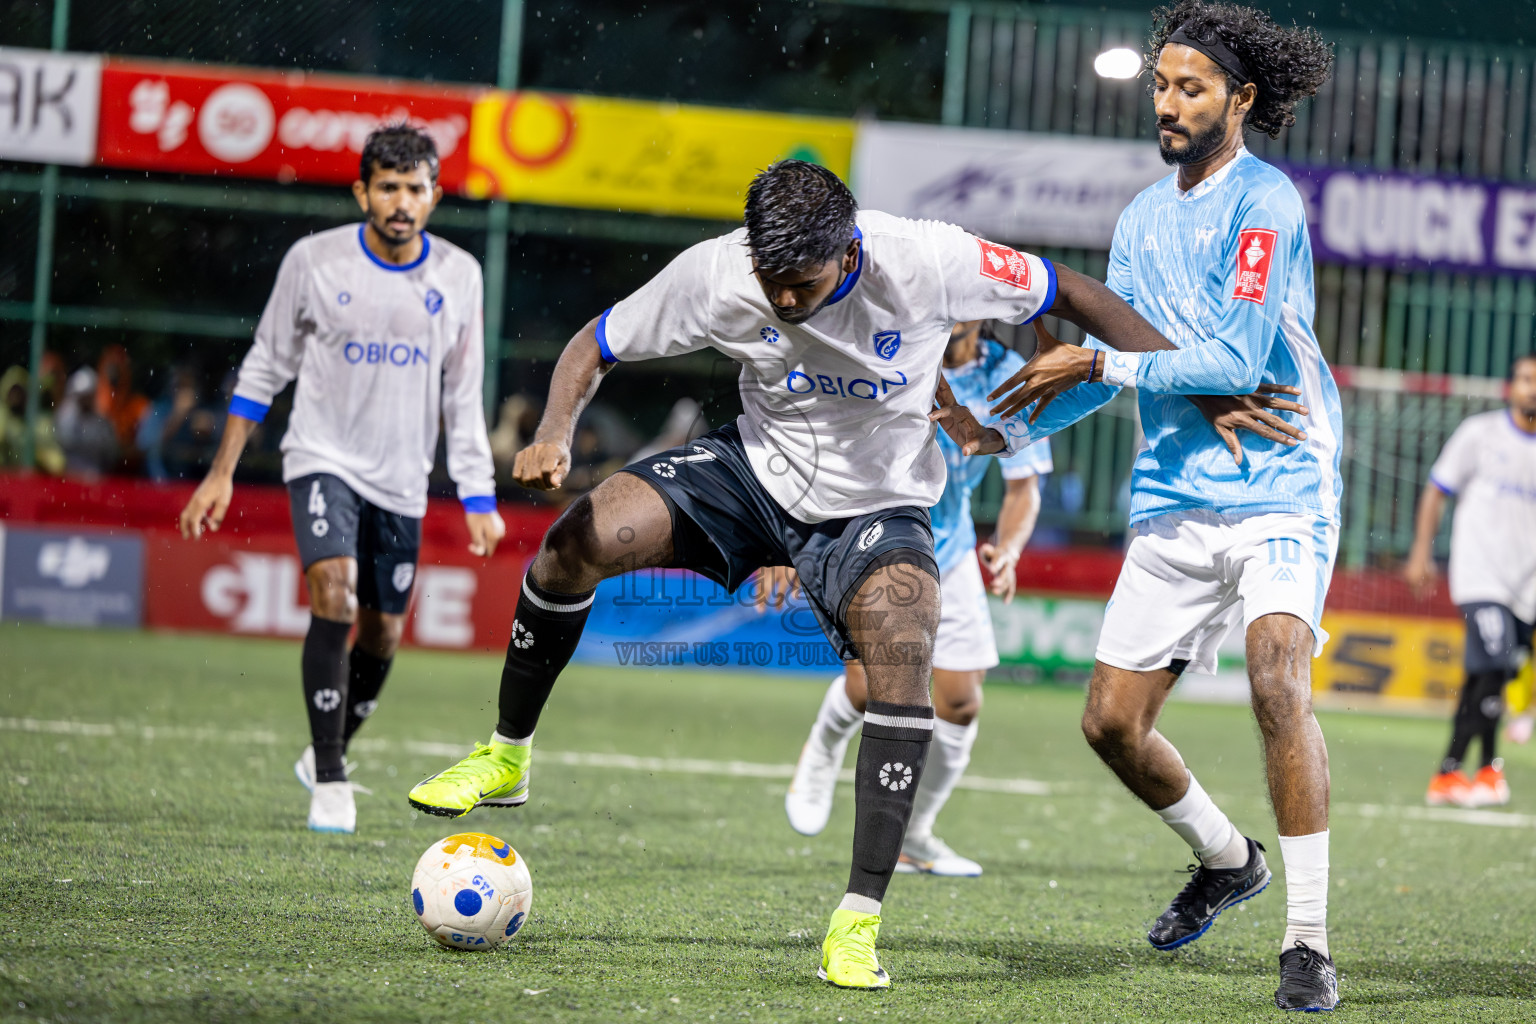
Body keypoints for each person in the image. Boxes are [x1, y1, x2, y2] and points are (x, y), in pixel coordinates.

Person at [404, 159, 1290, 989]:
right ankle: (506, 756)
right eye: (770, 280)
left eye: (804, 283)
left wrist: (1203, 389)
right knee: (577, 538)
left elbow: (1080, 295)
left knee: (906, 664)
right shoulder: (719, 272)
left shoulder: (930, 258)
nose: (783, 300)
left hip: (880, 506)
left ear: (850, 247)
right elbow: (592, 345)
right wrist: (557, 431)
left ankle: (857, 920)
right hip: (752, 473)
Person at [940, 1, 1341, 1009]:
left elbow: (1241, 358)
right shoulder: (1140, 218)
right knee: (1112, 725)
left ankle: (1308, 941)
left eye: (1190, 88)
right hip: (1171, 492)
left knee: (1275, 679)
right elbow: (1099, 367)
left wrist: (1103, 358)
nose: (1167, 103)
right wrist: (999, 427)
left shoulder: (1267, 203)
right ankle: (1224, 858)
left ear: (1241, 99)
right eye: (1161, 85)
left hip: (1279, 482)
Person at [177, 124, 504, 835]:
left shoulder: (459, 275)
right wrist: (222, 473)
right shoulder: (314, 261)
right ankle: (331, 776)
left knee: (383, 633)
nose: (401, 202)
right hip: (321, 456)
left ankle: (327, 749)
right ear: (362, 192)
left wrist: (478, 494)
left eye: (415, 189)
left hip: (402, 480)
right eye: (387, 186)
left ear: (435, 196)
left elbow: (462, 392)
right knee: (335, 589)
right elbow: (265, 366)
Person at [779, 320, 1053, 877]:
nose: (950, 314)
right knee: (871, 685)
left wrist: (1008, 548)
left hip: (948, 548)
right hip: (872, 533)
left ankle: (915, 835)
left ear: (983, 308)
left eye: (963, 303)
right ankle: (823, 746)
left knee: (960, 701)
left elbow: (1024, 486)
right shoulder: (886, 349)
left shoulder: (1007, 374)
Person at [1405, 354, 1536, 809]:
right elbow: (1437, 488)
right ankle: (1479, 769)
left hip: (1527, 589)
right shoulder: (1480, 435)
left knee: (1487, 675)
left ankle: (1462, 773)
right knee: (1495, 665)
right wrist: (1421, 551)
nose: (1531, 388)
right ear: (1510, 386)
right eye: (1524, 379)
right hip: (1481, 576)